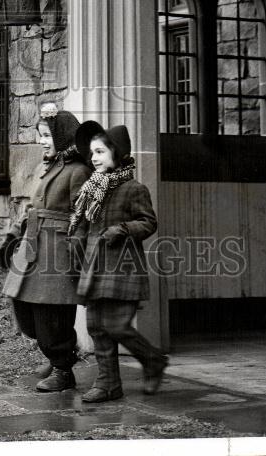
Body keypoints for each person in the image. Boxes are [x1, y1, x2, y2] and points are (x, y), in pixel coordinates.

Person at [68, 121, 168, 402]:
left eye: (99, 152)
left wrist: (123, 229)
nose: (93, 158)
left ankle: (153, 360)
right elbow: (85, 224)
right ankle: (109, 384)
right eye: (92, 153)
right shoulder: (93, 188)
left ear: (117, 152)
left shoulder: (133, 188)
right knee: (97, 327)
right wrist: (76, 242)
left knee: (117, 326)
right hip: (94, 266)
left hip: (122, 267)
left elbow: (148, 223)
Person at [1, 106, 92, 392]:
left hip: (57, 251)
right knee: (26, 310)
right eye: (40, 135)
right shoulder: (49, 168)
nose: (42, 141)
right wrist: (13, 234)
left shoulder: (78, 171)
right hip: (33, 247)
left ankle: (63, 369)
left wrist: (75, 251)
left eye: (47, 136)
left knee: (50, 312)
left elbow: (84, 214)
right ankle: (58, 355)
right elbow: (32, 207)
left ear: (63, 137)